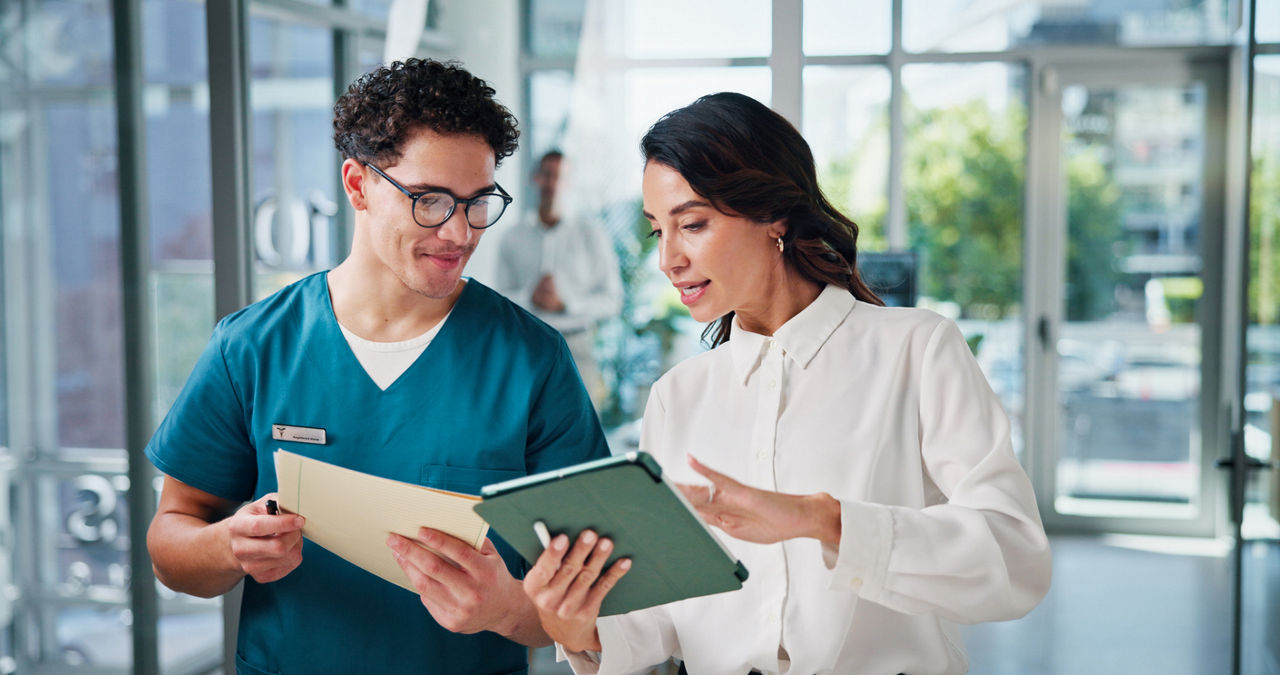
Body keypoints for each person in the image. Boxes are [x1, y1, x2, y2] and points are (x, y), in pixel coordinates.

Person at [522, 92, 1052, 675]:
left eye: (692, 224)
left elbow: (1014, 558)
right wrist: (580, 628)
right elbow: (660, 619)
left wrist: (823, 521)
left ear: (773, 214)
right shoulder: (678, 396)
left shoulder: (917, 349)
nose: (668, 259)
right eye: (657, 232)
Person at [145, 58, 610, 674]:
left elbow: (599, 605)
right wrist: (225, 547)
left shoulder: (531, 360)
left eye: (478, 203)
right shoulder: (252, 346)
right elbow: (171, 541)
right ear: (358, 186)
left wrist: (504, 609)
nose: (460, 232)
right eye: (430, 200)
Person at [494, 150, 623, 407]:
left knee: (582, 434)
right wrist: (529, 297)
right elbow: (499, 301)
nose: (552, 183)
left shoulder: (591, 235)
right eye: (546, 175)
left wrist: (566, 304)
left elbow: (613, 301)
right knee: (527, 433)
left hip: (577, 347)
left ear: (569, 183)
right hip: (527, 348)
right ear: (535, 179)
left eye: (560, 176)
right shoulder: (512, 236)